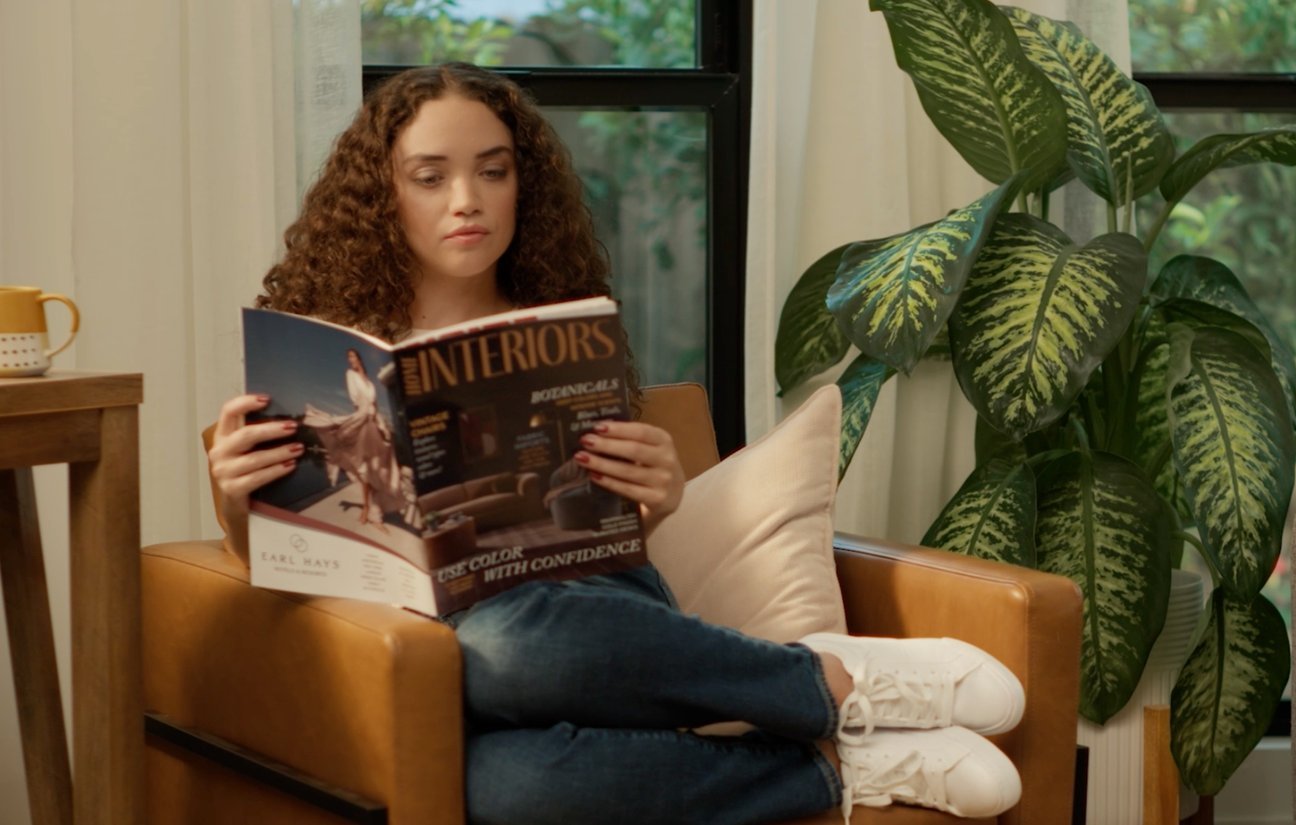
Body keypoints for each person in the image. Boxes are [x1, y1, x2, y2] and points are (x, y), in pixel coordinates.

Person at [206, 62, 1026, 825]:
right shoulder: (327, 355)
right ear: (383, 194)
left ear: (522, 183)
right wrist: (238, 497)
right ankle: (837, 757)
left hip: (585, 619)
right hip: (431, 649)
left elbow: (604, 525)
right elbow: (275, 559)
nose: (467, 200)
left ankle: (835, 681)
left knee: (511, 642)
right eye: (430, 176)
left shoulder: (557, 319)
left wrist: (659, 498)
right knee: (509, 784)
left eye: (493, 171)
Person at [302, 347, 419, 531]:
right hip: (363, 420)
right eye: (349, 357)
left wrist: (382, 424)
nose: (351, 360)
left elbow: (375, 405)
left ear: (359, 359)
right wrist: (362, 417)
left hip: (374, 421)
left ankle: (374, 510)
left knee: (378, 468)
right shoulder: (350, 375)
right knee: (365, 469)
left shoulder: (370, 383)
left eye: (353, 357)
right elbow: (356, 401)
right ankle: (367, 508)